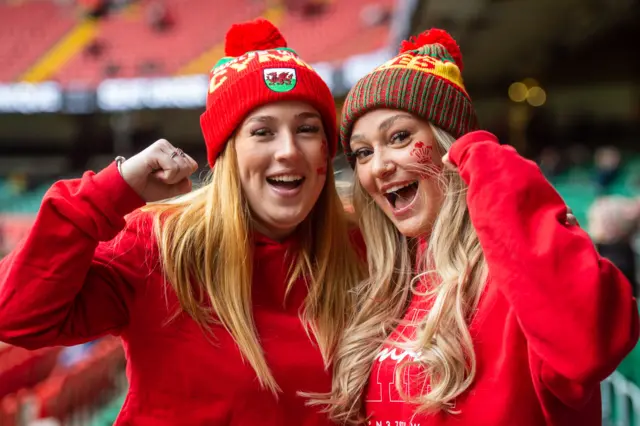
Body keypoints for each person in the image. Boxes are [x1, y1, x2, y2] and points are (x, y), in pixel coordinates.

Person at [0, 18, 365, 425]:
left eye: (307, 129)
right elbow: (16, 316)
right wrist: (110, 192)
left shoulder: (364, 252)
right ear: (227, 155)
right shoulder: (161, 247)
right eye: (262, 132)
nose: (288, 151)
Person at [314, 29, 639, 425]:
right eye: (363, 152)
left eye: (399, 137)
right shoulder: (386, 281)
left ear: (451, 146)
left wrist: (482, 156)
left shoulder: (518, 271)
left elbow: (589, 346)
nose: (378, 165)